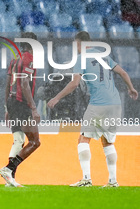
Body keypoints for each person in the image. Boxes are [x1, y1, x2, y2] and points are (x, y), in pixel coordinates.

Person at [47, 31, 138, 187]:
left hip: (98, 103)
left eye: (76, 45)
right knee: (107, 141)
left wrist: (57, 98)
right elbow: (122, 72)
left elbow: (74, 83)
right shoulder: (103, 56)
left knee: (83, 139)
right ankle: (113, 181)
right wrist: (131, 88)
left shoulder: (81, 59)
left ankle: (86, 179)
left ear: (80, 43)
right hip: (115, 103)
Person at [0, 32, 41, 187]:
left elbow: (8, 84)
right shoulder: (29, 59)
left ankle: (10, 179)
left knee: (19, 140)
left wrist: (7, 108)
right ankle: (8, 168)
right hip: (22, 104)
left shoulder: (14, 61)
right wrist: (34, 108)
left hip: (12, 102)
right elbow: (24, 84)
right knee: (35, 142)